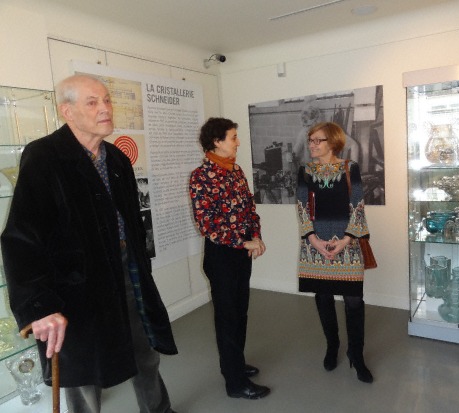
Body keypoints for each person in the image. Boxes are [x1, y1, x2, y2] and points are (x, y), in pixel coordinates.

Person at [0, 74, 178, 413]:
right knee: (81, 372)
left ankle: (159, 410)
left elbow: (132, 222)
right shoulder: (45, 157)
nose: (105, 109)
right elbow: (21, 238)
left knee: (145, 352)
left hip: (126, 273)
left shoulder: (117, 159)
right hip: (74, 287)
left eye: (107, 100)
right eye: (92, 102)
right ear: (67, 111)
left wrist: (139, 263)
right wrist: (39, 306)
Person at [189, 117, 270, 399]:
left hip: (241, 253)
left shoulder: (235, 171)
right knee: (227, 318)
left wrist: (256, 236)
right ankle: (235, 383)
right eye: (233, 137)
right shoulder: (201, 176)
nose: (238, 142)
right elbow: (207, 224)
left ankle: (235, 363)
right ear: (217, 141)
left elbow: (249, 209)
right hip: (222, 255)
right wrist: (242, 241)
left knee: (240, 313)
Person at [296, 121, 373, 383]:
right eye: (311, 140)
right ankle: (333, 345)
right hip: (315, 244)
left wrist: (346, 239)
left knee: (354, 300)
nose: (312, 145)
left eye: (318, 140)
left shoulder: (350, 168)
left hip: (347, 244)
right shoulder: (305, 171)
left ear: (333, 142)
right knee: (323, 296)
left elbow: (358, 205)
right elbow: (301, 207)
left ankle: (356, 355)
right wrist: (313, 239)